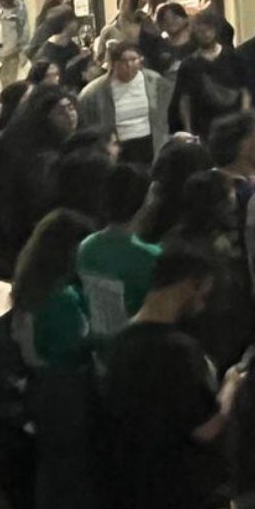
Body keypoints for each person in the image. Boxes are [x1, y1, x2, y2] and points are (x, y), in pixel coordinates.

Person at [100, 248, 246, 509]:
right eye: (203, 294)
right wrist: (231, 386)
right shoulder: (179, 352)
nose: (203, 304)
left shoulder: (118, 344)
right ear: (188, 285)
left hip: (134, 492)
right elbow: (206, 429)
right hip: (184, 494)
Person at [10, 208, 99, 509]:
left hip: (41, 389)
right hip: (67, 392)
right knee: (74, 473)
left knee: (53, 470)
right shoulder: (62, 299)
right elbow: (75, 346)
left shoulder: (30, 288)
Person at [76, 163, 160, 345]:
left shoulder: (86, 247)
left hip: (99, 346)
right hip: (135, 347)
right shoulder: (150, 256)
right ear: (144, 201)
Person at [77, 39, 172, 168]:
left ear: (141, 60)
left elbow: (165, 113)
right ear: (114, 63)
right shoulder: (94, 92)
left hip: (149, 143)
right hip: (118, 146)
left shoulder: (155, 81)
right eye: (123, 61)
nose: (129, 65)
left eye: (133, 59)